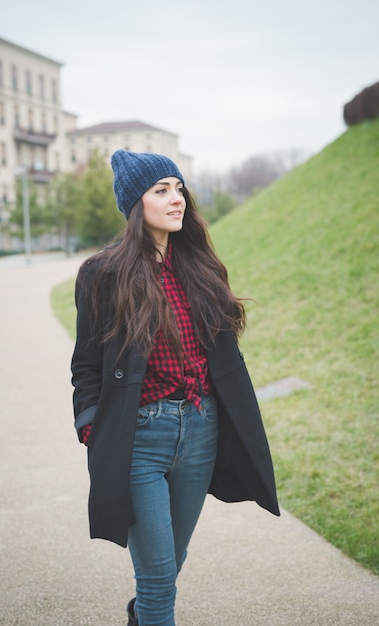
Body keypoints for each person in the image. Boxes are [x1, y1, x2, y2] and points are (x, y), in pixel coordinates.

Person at [71, 149, 280, 626]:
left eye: (179, 188)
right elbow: (85, 366)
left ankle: (142, 615)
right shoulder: (102, 275)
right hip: (139, 438)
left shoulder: (200, 268)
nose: (176, 199)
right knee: (160, 577)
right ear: (134, 204)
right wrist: (92, 429)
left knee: (170, 563)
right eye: (161, 190)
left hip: (201, 432)